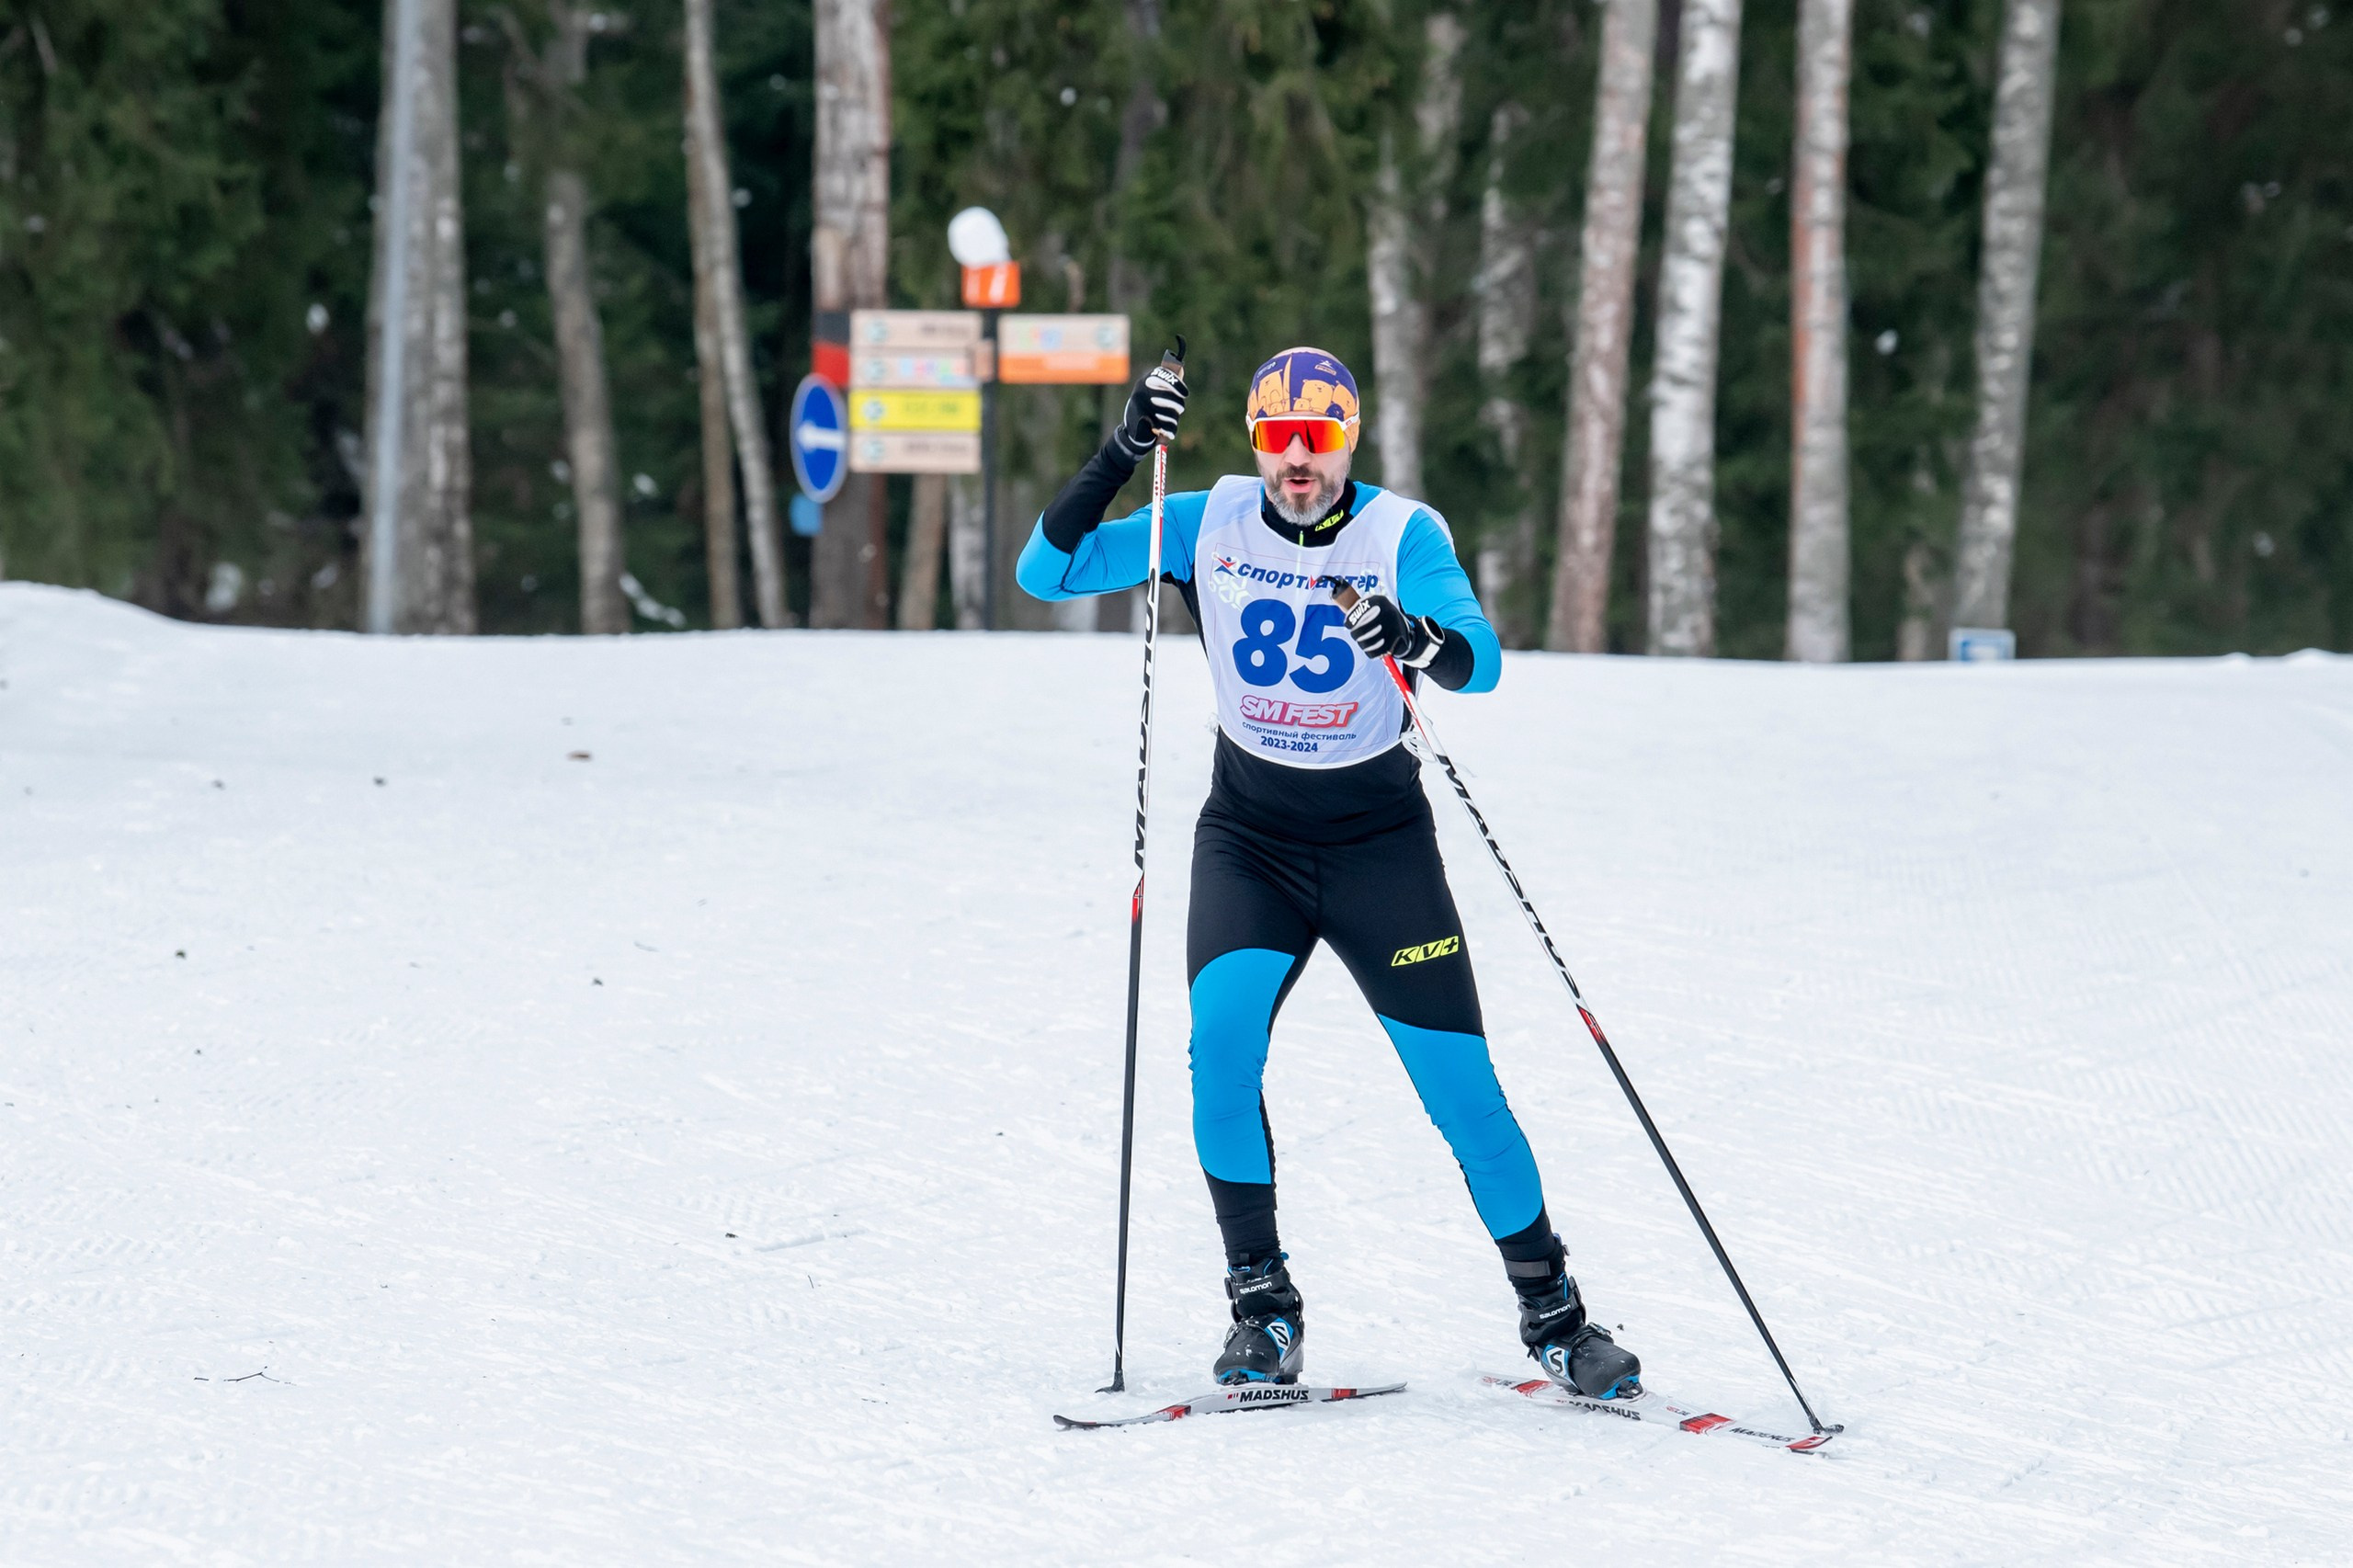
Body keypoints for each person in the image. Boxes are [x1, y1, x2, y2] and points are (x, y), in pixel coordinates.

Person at [1016, 347, 1641, 1400]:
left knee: (1461, 1090)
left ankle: (1555, 1315)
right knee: (1219, 1054)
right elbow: (1049, 571)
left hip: (1377, 848)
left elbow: (1480, 660)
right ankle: (1262, 1307)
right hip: (1250, 841)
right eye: (1277, 437)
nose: (1296, 457)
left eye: (1317, 437)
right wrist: (1123, 449)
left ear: (1348, 439)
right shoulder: (1205, 519)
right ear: (1255, 441)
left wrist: (1414, 636)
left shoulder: (1401, 533)